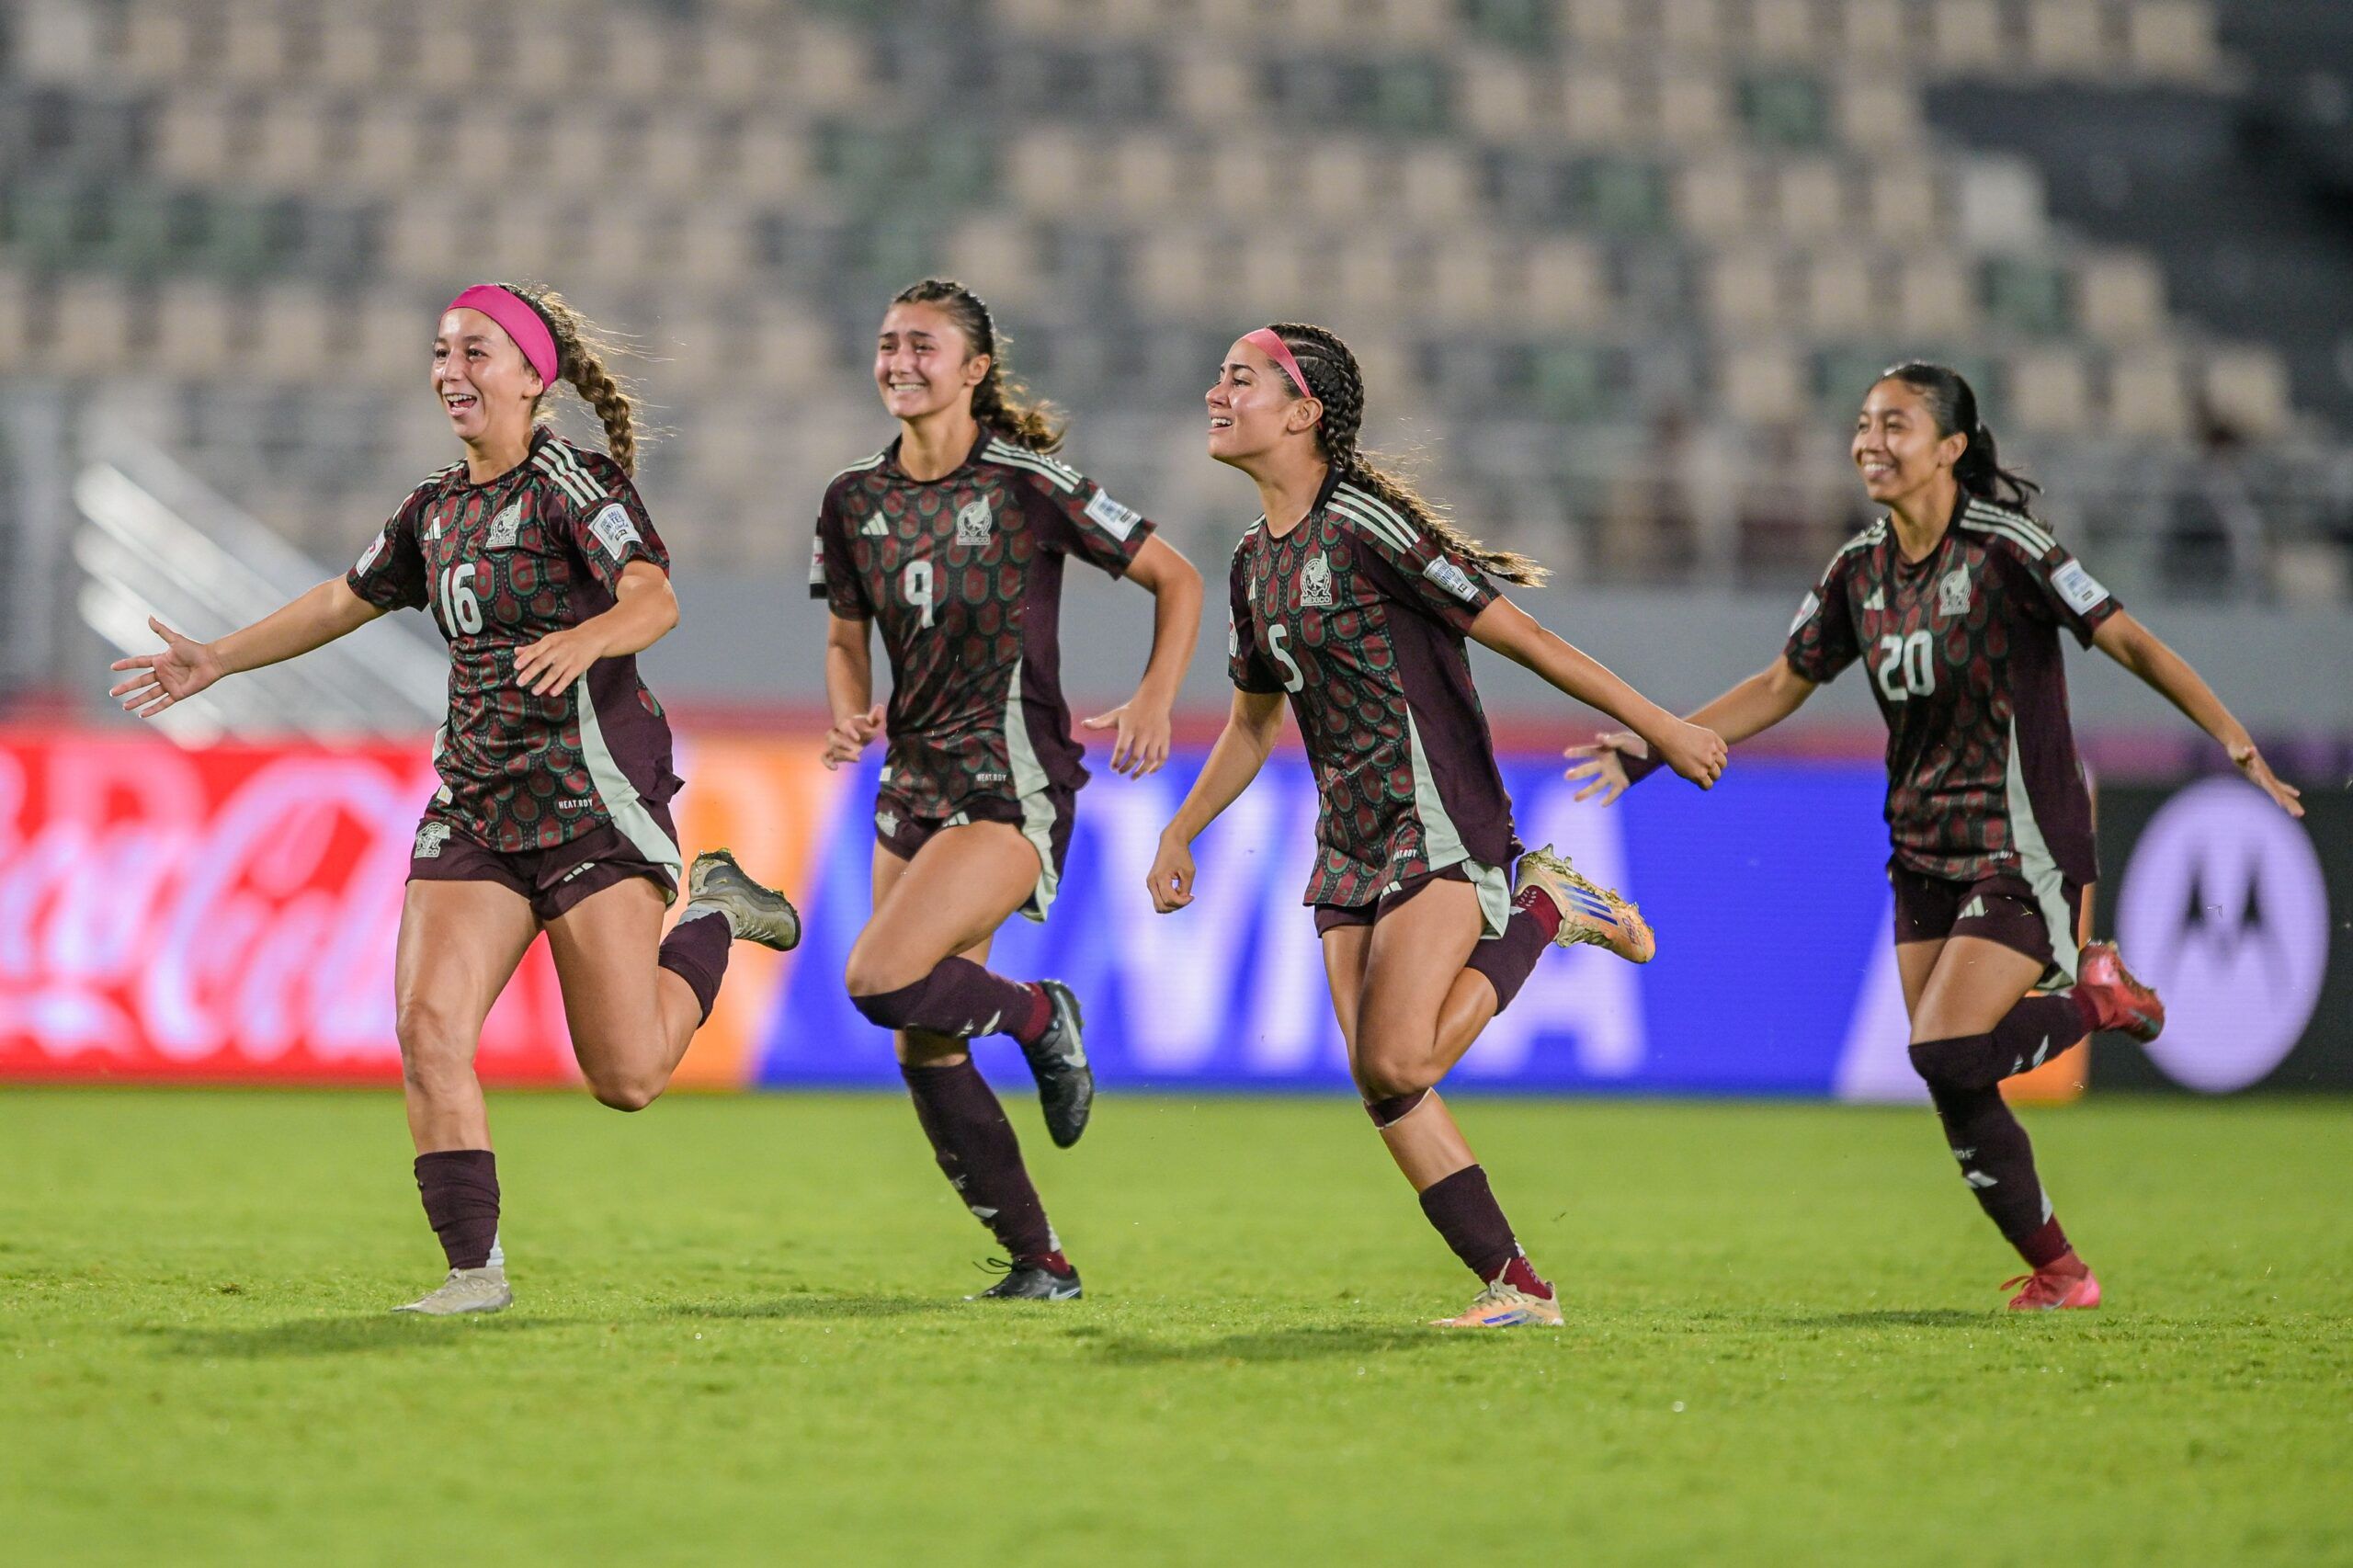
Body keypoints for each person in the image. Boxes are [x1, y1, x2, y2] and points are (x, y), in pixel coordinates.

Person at [108, 282, 799, 1316]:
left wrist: (587, 636)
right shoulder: (431, 509)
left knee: (627, 1076)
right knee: (428, 1028)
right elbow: (342, 598)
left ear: (530, 374)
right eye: (441, 352)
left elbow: (654, 596)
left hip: (591, 803)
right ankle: (474, 1275)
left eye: (475, 351)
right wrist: (219, 658)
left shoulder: (572, 482)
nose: (450, 372)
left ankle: (713, 910)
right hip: (476, 804)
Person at [1569, 361, 2304, 1311]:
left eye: (1895, 425)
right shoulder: (1857, 570)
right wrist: (1656, 744)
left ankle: (2097, 999)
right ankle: (2062, 1272)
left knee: (1946, 1049)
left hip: (2020, 838)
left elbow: (2128, 638)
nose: (1869, 442)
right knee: (1953, 1074)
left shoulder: (2007, 549)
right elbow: (1781, 683)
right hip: (1920, 843)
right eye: (1863, 424)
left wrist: (2232, 736)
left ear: (1951, 447)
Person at [1147, 323, 1726, 1328]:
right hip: (1349, 837)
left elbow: (1523, 635)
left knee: (1399, 1060)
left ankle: (1543, 908)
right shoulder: (1250, 562)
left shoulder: (1364, 524)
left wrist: (1661, 726)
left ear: (1302, 412)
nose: (1216, 393)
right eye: (1219, 377)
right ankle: (1519, 1288)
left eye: (1240, 379)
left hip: (1436, 815)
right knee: (1380, 1082)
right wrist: (1180, 830)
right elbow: (1251, 724)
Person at [814, 278, 1202, 1301]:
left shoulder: (1028, 483)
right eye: (888, 343)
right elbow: (845, 635)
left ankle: (1039, 1015)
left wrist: (1156, 696)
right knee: (923, 1037)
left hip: (1009, 781)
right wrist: (849, 708)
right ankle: (1042, 1263)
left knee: (879, 978)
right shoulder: (851, 498)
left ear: (975, 370)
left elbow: (1178, 576)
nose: (900, 361)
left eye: (923, 345)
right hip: (910, 781)